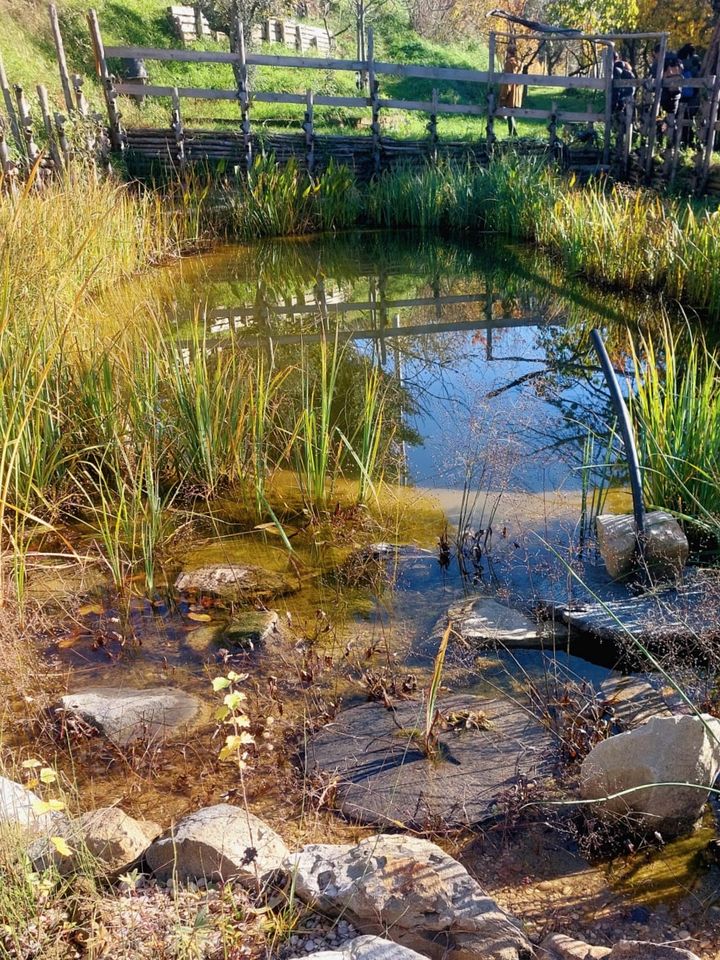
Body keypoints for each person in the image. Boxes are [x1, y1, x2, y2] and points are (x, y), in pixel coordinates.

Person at [498, 43, 524, 136]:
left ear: (508, 52)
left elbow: (508, 80)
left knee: (509, 113)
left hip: (511, 91)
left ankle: (512, 133)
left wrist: (504, 94)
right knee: (511, 113)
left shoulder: (509, 63)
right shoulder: (520, 62)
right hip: (518, 91)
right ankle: (513, 132)